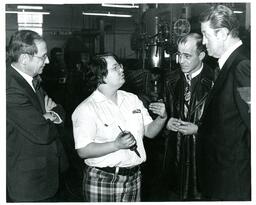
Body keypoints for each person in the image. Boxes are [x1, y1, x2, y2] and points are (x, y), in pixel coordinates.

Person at [72, 53, 167, 202]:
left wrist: (162, 118)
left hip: (134, 178)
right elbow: (83, 151)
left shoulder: (132, 99)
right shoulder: (86, 109)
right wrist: (116, 145)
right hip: (103, 180)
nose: (122, 69)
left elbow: (150, 132)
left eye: (120, 65)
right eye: (116, 67)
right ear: (101, 76)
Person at [6, 30, 68, 202]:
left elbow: (58, 108)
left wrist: (52, 115)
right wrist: (50, 117)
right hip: (29, 183)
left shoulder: (30, 78)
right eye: (43, 57)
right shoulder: (9, 88)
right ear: (25, 59)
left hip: (46, 174)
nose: (47, 61)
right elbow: (43, 133)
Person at [198, 5, 251, 200]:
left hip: (234, 180)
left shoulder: (242, 67)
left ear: (222, 33)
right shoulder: (227, 65)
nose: (203, 42)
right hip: (221, 175)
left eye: (206, 35)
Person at [164, 33, 214, 200]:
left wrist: (199, 130)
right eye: (179, 55)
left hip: (202, 161)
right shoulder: (170, 80)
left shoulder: (215, 81)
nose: (181, 61)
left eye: (187, 56)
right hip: (175, 160)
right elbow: (164, 114)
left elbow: (226, 125)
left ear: (201, 56)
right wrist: (166, 121)